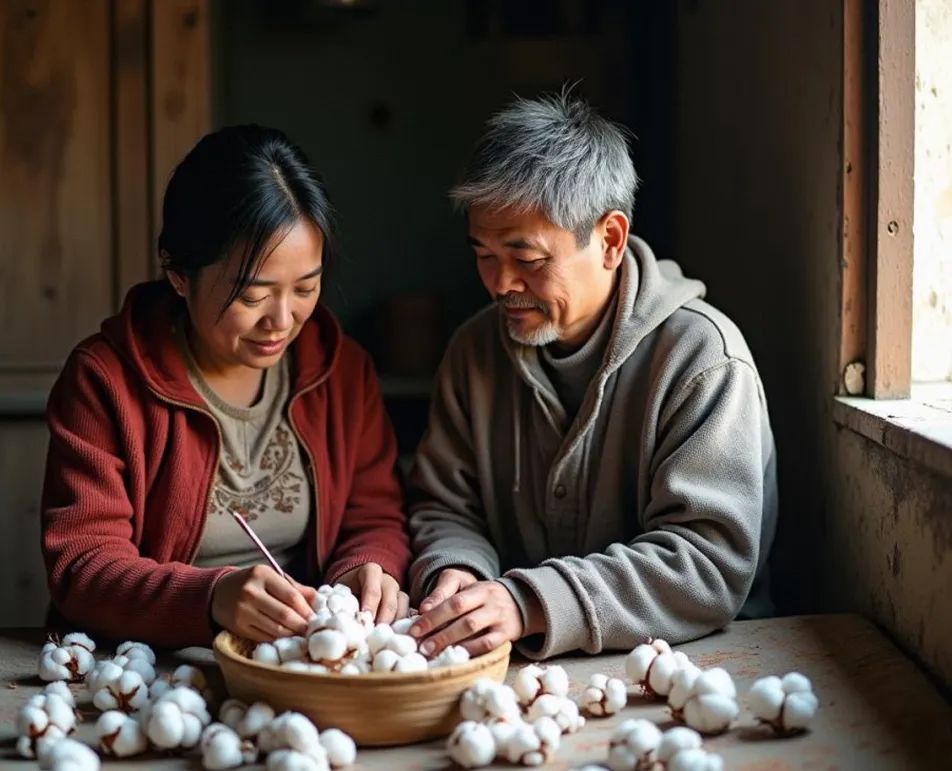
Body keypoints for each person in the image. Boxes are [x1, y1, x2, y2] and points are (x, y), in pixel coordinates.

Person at [407, 91, 777, 660]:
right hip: (521, 672)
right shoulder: (473, 351)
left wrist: (528, 602)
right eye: (482, 253)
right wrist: (456, 570)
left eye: (527, 259)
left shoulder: (703, 360)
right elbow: (445, 507)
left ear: (609, 240)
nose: (500, 283)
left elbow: (705, 564)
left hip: (697, 668)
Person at [41, 125, 410, 649]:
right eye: (252, 296)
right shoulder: (105, 382)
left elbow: (373, 514)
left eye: (306, 287)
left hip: (298, 659)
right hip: (148, 665)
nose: (282, 320)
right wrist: (211, 598)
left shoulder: (341, 372)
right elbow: (83, 564)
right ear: (179, 275)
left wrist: (366, 569)